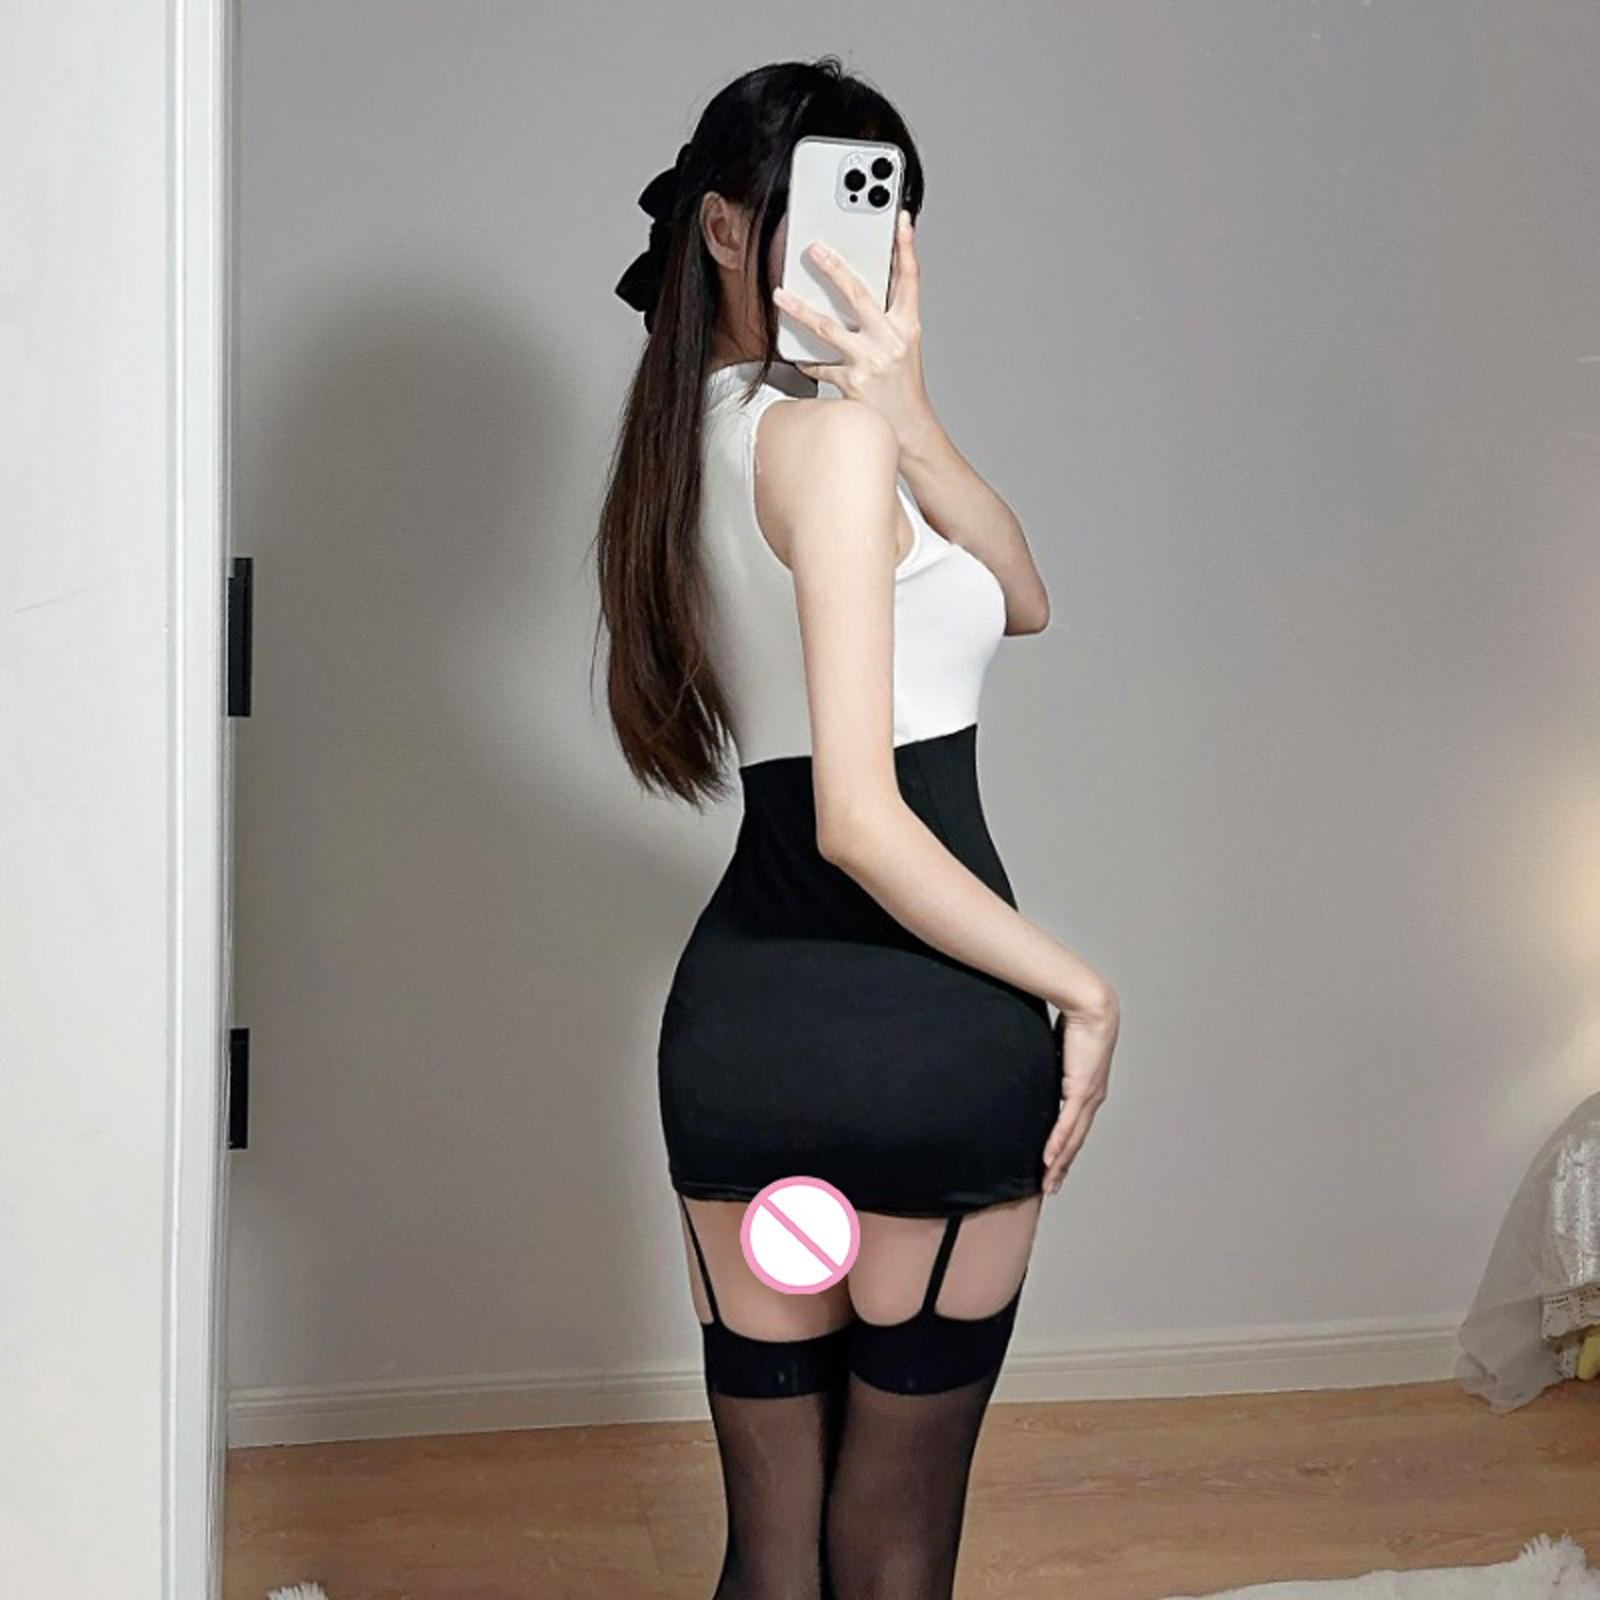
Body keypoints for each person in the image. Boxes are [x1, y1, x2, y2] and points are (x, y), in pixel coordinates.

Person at [594, 55, 1120, 1600]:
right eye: (828, 200)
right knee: (888, 1551)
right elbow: (860, 821)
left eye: (887, 212)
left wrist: (906, 407)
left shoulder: (688, 450)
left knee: (774, 1550)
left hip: (743, 1046)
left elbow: (1019, 597)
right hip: (923, 1046)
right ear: (724, 230)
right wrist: (1085, 990)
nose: (867, 246)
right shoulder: (824, 449)